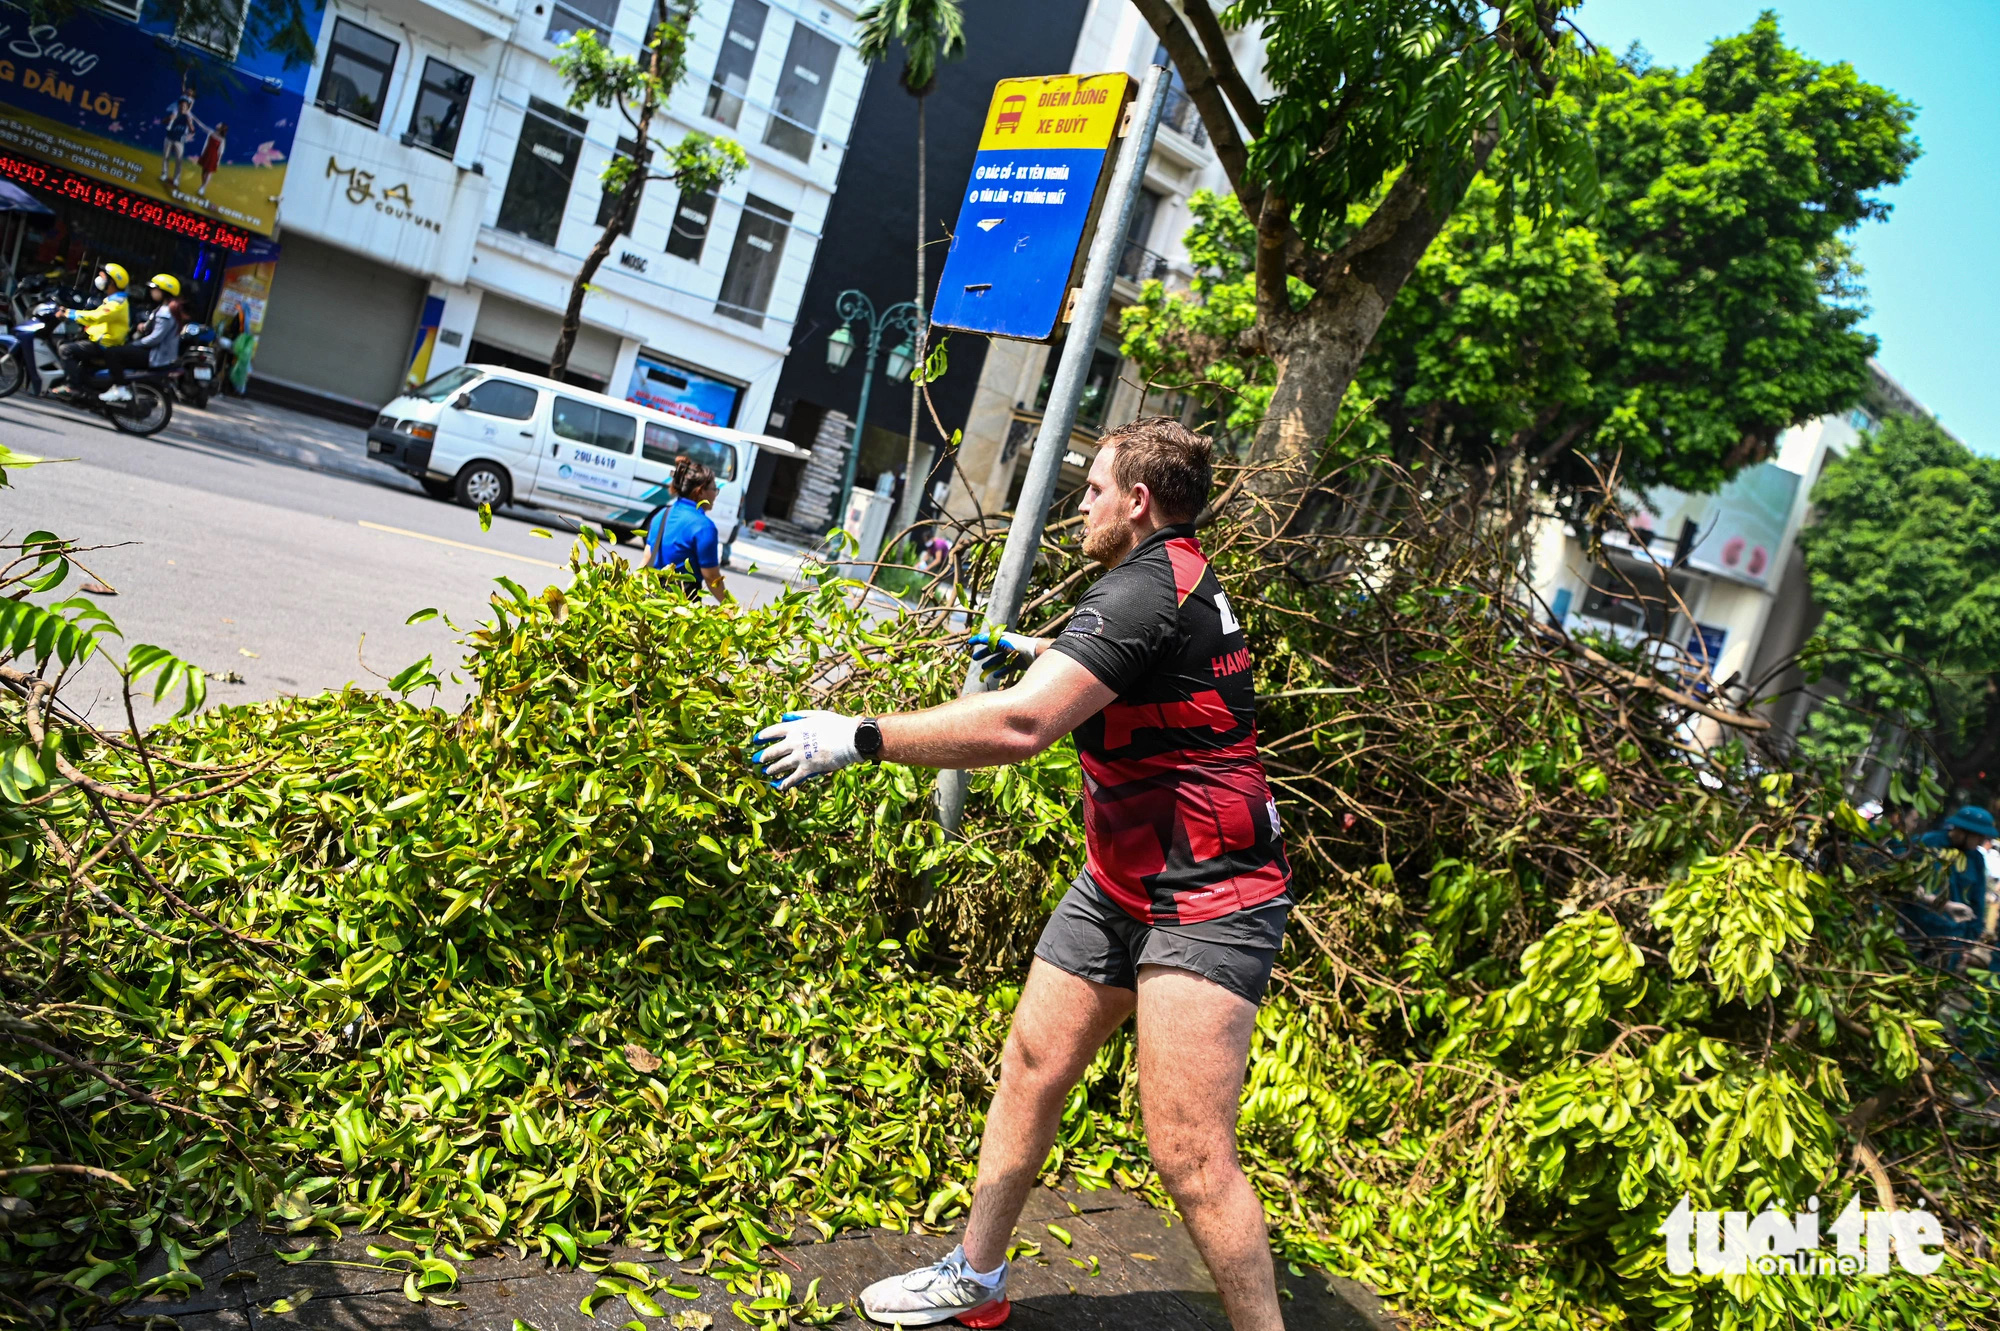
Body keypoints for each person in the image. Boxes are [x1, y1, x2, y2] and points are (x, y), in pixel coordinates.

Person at [750, 419, 1290, 1331]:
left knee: (1192, 1154)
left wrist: (858, 735)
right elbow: (1149, 673)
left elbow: (1019, 730)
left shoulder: (1139, 593)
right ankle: (976, 1275)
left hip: (1208, 895)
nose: (1081, 502)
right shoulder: (1176, 578)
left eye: (1093, 488)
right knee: (1034, 1064)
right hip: (1121, 876)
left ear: (1137, 502)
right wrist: (1042, 655)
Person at [1911, 806, 1998, 973]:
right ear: (1964, 832)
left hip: (1951, 938)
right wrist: (1942, 904)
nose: (1981, 842)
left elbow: (1977, 901)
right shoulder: (1927, 843)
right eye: (1978, 836)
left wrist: (1969, 941)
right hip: (1915, 927)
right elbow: (1906, 883)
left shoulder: (1976, 859)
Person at [644, 455, 733, 604]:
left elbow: (647, 559)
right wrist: (730, 606)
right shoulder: (704, 527)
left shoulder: (662, 514)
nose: (715, 495)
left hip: (652, 602)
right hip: (681, 606)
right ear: (700, 491)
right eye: (714, 489)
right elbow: (711, 577)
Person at [97, 274, 183, 404]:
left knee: (113, 352)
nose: (152, 292)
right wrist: (143, 327)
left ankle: (120, 387)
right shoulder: (166, 310)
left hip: (155, 357)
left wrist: (134, 344)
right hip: (159, 355)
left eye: (155, 289)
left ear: (164, 292)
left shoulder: (165, 312)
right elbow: (152, 326)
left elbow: (155, 338)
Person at [54, 263, 132, 397]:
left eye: (103, 277)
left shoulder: (117, 303)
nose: (99, 279)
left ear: (112, 282)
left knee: (65, 349)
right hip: (99, 340)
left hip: (105, 345)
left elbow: (96, 317)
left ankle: (73, 386)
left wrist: (68, 313)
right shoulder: (113, 299)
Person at [196, 121, 228, 197]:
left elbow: (221, 152)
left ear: (221, 128)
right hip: (206, 153)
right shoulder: (211, 132)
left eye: (219, 124)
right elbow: (202, 126)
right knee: (203, 171)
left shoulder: (222, 139)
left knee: (209, 172)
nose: (217, 124)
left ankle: (203, 187)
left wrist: (218, 162)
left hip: (213, 156)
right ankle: (202, 185)